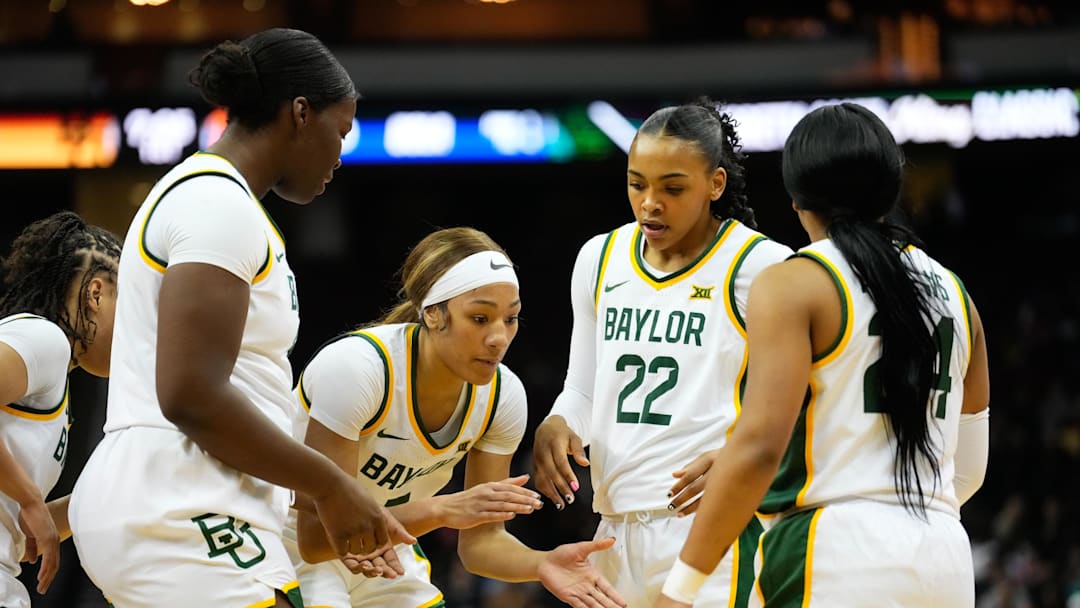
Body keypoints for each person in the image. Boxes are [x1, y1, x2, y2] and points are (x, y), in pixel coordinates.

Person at [68, 28, 411, 608]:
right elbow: (190, 396)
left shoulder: (220, 201)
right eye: (342, 130)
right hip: (180, 503)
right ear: (300, 113)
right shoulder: (216, 205)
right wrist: (329, 484)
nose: (341, 153)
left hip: (194, 498)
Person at [654, 102, 991, 608]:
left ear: (796, 200)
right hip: (944, 555)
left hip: (834, 550)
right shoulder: (958, 295)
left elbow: (760, 448)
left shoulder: (795, 281)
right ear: (891, 189)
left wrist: (678, 591)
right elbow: (968, 470)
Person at [532, 98, 794, 608]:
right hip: (612, 529)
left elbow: (806, 401)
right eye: (637, 183)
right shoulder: (599, 257)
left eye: (672, 188)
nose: (650, 202)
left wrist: (741, 459)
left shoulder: (762, 265)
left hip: (717, 525)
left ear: (715, 184)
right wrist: (560, 420)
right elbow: (583, 387)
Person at [287, 226, 627, 608]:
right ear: (433, 314)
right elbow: (315, 540)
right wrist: (441, 509)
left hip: (386, 548)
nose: (499, 337)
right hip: (288, 543)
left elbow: (481, 544)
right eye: (480, 319)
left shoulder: (503, 396)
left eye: (510, 319)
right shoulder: (358, 369)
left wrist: (542, 562)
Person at [0, 211, 121, 608]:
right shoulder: (44, 338)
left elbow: (19, 533)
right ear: (96, 293)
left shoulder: (47, 371)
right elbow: (27, 508)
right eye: (131, 304)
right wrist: (31, 500)